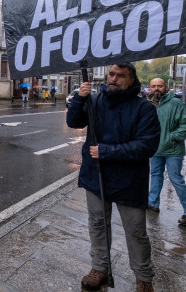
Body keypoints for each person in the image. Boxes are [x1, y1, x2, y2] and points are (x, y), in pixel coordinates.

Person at [67, 63, 161, 292]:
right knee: (97, 224)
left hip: (129, 179)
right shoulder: (95, 101)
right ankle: (99, 268)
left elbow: (146, 145)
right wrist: (80, 98)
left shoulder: (144, 109)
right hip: (95, 175)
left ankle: (143, 278)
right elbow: (74, 122)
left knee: (136, 230)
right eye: (111, 74)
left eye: (120, 76)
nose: (114, 79)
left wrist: (107, 151)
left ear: (131, 80)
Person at [146, 78, 186, 226]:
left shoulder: (176, 104)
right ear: (149, 88)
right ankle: (152, 203)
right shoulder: (148, 104)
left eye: (160, 86)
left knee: (176, 178)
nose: (157, 88)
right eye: (154, 86)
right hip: (155, 148)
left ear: (166, 87)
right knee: (155, 175)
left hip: (173, 149)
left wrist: (171, 138)